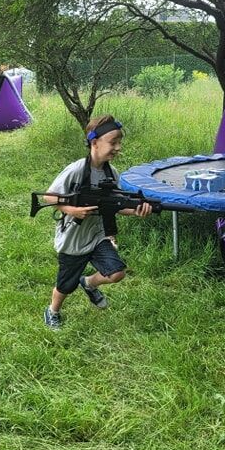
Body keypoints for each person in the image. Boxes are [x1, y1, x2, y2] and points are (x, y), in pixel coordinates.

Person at [43, 114, 152, 329]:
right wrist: (71, 210)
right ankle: (53, 311)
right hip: (74, 240)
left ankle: (89, 283)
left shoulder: (112, 173)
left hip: (97, 236)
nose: (118, 147)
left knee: (117, 272)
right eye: (113, 142)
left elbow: (116, 206)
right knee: (66, 285)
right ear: (94, 143)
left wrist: (137, 211)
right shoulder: (76, 170)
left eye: (119, 142)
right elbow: (49, 196)